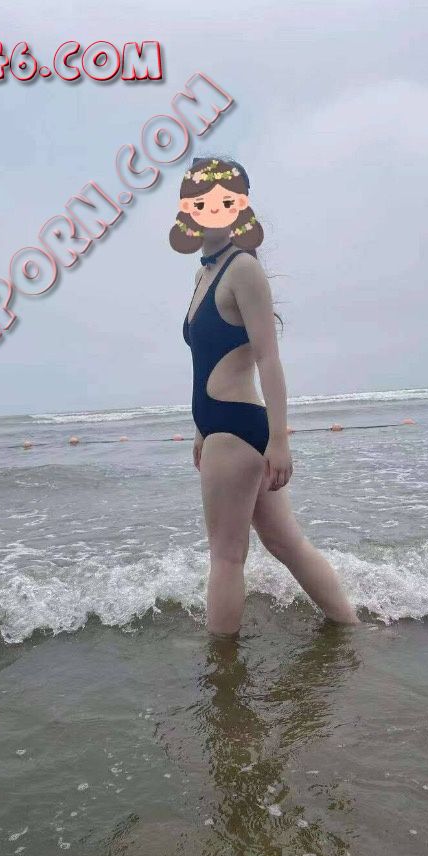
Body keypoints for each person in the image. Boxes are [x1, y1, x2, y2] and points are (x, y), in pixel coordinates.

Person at [171, 156, 359, 635]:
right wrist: (199, 431)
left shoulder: (242, 269)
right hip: (219, 429)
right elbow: (205, 361)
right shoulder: (203, 274)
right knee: (286, 544)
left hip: (237, 429)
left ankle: (222, 668)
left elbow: (268, 358)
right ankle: (351, 627)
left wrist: (279, 440)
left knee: (226, 557)